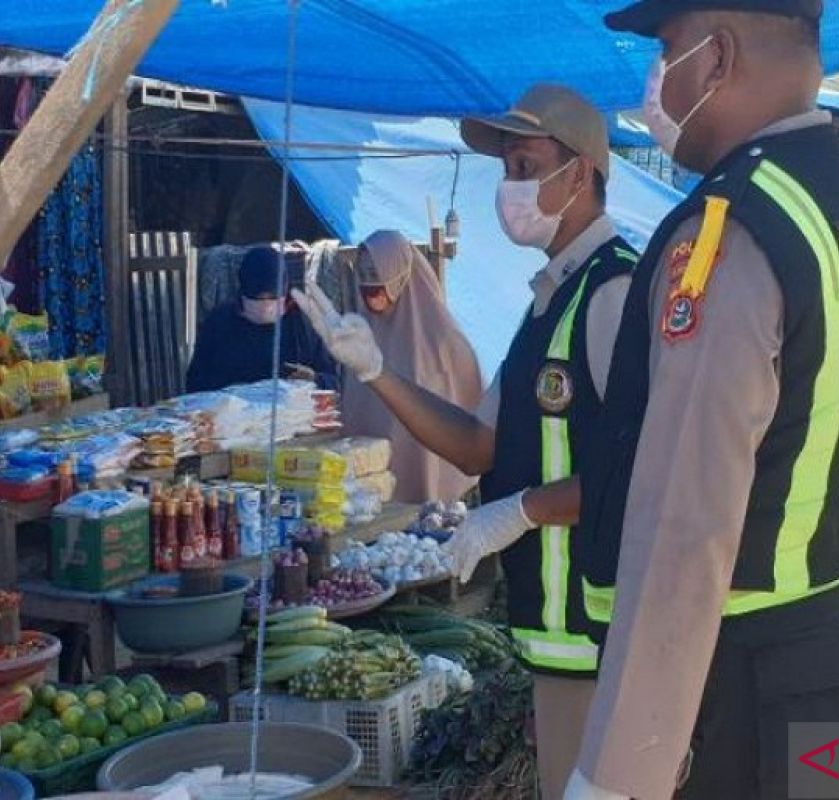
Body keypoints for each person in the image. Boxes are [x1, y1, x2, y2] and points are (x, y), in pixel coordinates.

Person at [564, 2, 839, 798]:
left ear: (715, 59)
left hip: (736, 685)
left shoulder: (732, 228)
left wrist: (619, 771)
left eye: (666, 51)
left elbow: (687, 525)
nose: (655, 81)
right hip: (817, 658)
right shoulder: (837, 201)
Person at [291, 84, 639, 800]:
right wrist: (377, 370)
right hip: (552, 635)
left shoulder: (613, 293)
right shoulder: (547, 302)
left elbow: (642, 470)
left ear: (578, 173)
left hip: (602, 634)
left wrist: (522, 511)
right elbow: (479, 446)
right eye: (505, 168)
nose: (508, 187)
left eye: (524, 165)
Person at [341, 230, 483, 503]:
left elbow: (473, 416)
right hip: (367, 494)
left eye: (378, 273)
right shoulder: (360, 335)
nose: (371, 283)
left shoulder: (444, 340)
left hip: (434, 496)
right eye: (365, 274)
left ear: (402, 274)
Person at [186, 246, 337, 392]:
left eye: (273, 297)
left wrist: (315, 379)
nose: (265, 306)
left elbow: (333, 382)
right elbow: (195, 383)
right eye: (258, 298)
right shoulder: (219, 323)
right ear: (244, 291)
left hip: (292, 414)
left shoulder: (303, 323)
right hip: (234, 414)